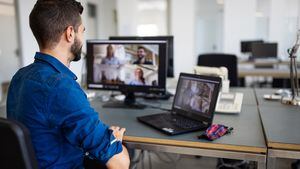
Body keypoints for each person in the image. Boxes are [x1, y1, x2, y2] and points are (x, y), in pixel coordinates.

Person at [6, 1, 130, 169]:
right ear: (70, 33)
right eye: (82, 31)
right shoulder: (61, 87)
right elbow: (120, 164)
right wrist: (113, 140)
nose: (82, 37)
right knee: (126, 153)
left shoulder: (19, 77)